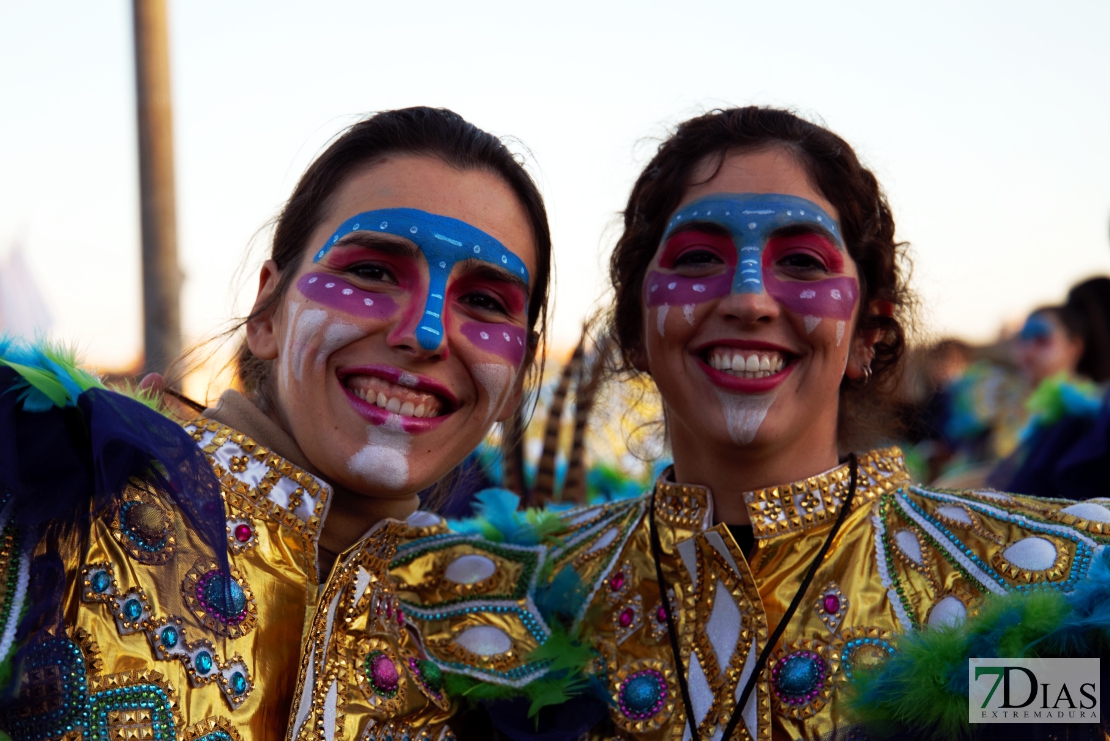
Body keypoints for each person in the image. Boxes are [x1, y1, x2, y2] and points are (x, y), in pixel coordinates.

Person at [390, 107, 1110, 740]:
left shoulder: (1050, 593)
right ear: (637, 330)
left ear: (867, 331)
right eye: (700, 257)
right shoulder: (513, 601)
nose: (750, 299)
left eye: (800, 261)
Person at [0, 106, 554, 740]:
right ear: (266, 311)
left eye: (484, 302)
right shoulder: (49, 504)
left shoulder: (498, 661)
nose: (425, 333)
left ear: (519, 378)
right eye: (372, 271)